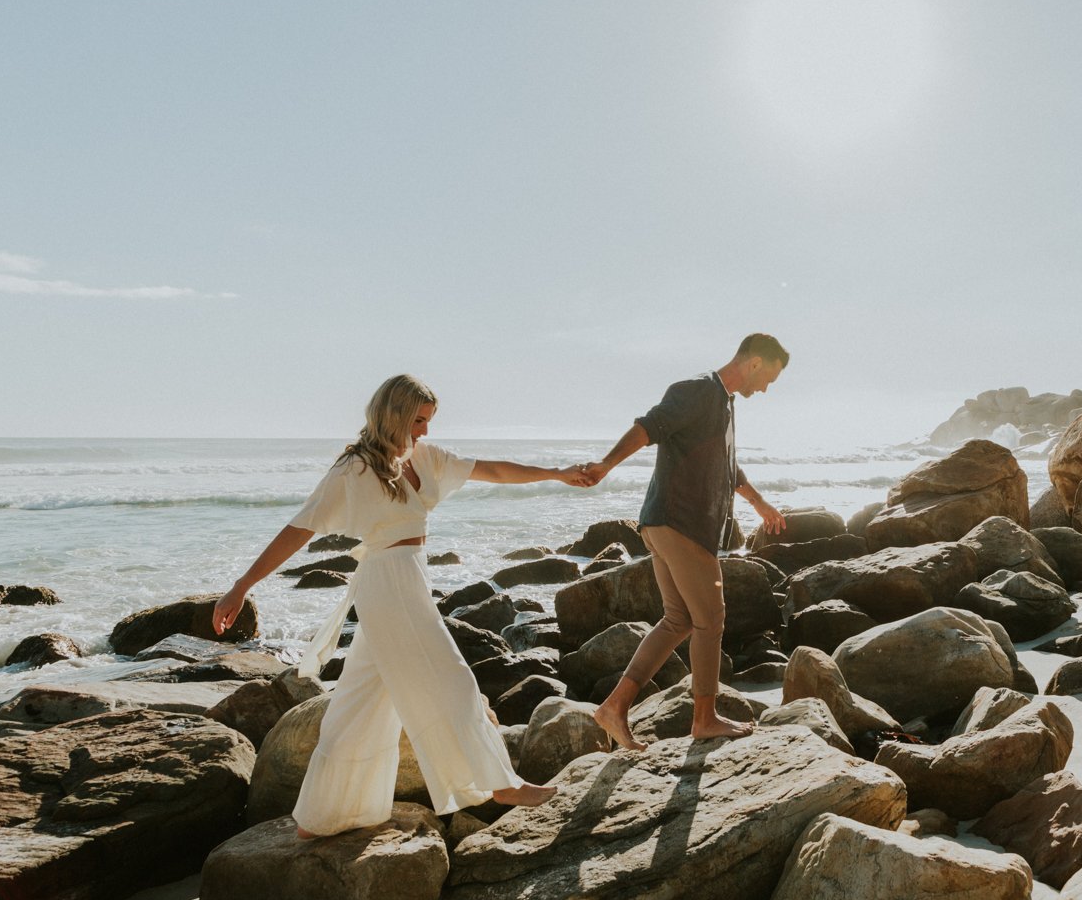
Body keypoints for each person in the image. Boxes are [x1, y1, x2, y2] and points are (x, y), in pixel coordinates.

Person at [212, 374, 591, 838]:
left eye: (429, 421)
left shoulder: (421, 457)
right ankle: (500, 784)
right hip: (387, 584)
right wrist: (242, 585)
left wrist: (555, 474)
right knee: (451, 676)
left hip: (407, 577)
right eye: (418, 420)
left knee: (361, 702)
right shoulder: (352, 470)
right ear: (392, 414)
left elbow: (490, 469)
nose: (425, 431)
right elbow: (300, 527)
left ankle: (319, 818)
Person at [585, 334, 790, 750]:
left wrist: (761, 504)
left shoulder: (724, 404)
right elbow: (649, 427)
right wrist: (606, 464)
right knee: (710, 619)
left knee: (678, 620)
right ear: (753, 362)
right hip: (681, 523)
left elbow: (729, 468)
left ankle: (613, 708)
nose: (766, 388)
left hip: (664, 524)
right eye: (768, 377)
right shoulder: (698, 390)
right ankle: (704, 719)